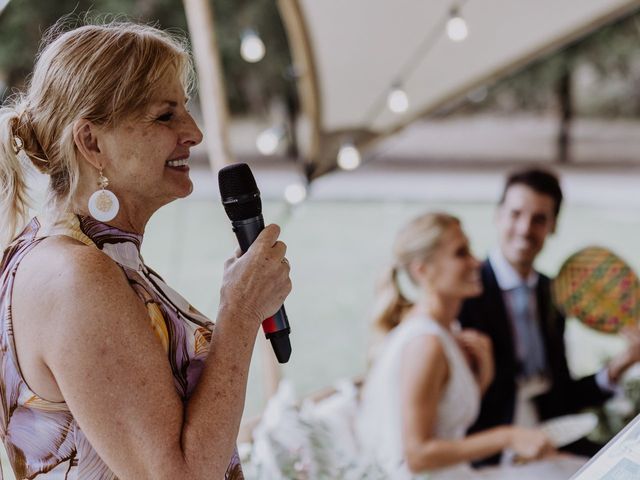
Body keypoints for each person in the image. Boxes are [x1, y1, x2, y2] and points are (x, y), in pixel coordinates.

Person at [0, 20, 292, 479]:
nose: (193, 132)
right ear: (92, 142)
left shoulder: (96, 257)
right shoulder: (74, 277)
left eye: (187, 109)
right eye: (165, 115)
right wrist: (240, 311)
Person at [458, 167, 640, 465]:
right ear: (498, 215)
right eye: (516, 214)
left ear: (553, 226)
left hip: (554, 438)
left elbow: (562, 394)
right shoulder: (467, 291)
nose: (525, 229)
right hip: (489, 452)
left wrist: (621, 364)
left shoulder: (554, 293)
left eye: (539, 219)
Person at [356, 212, 554, 479]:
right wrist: (507, 436)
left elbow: (445, 422)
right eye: (461, 253)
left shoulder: (448, 331)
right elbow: (417, 455)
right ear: (423, 270)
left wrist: (481, 380)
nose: (476, 261)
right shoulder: (426, 344)